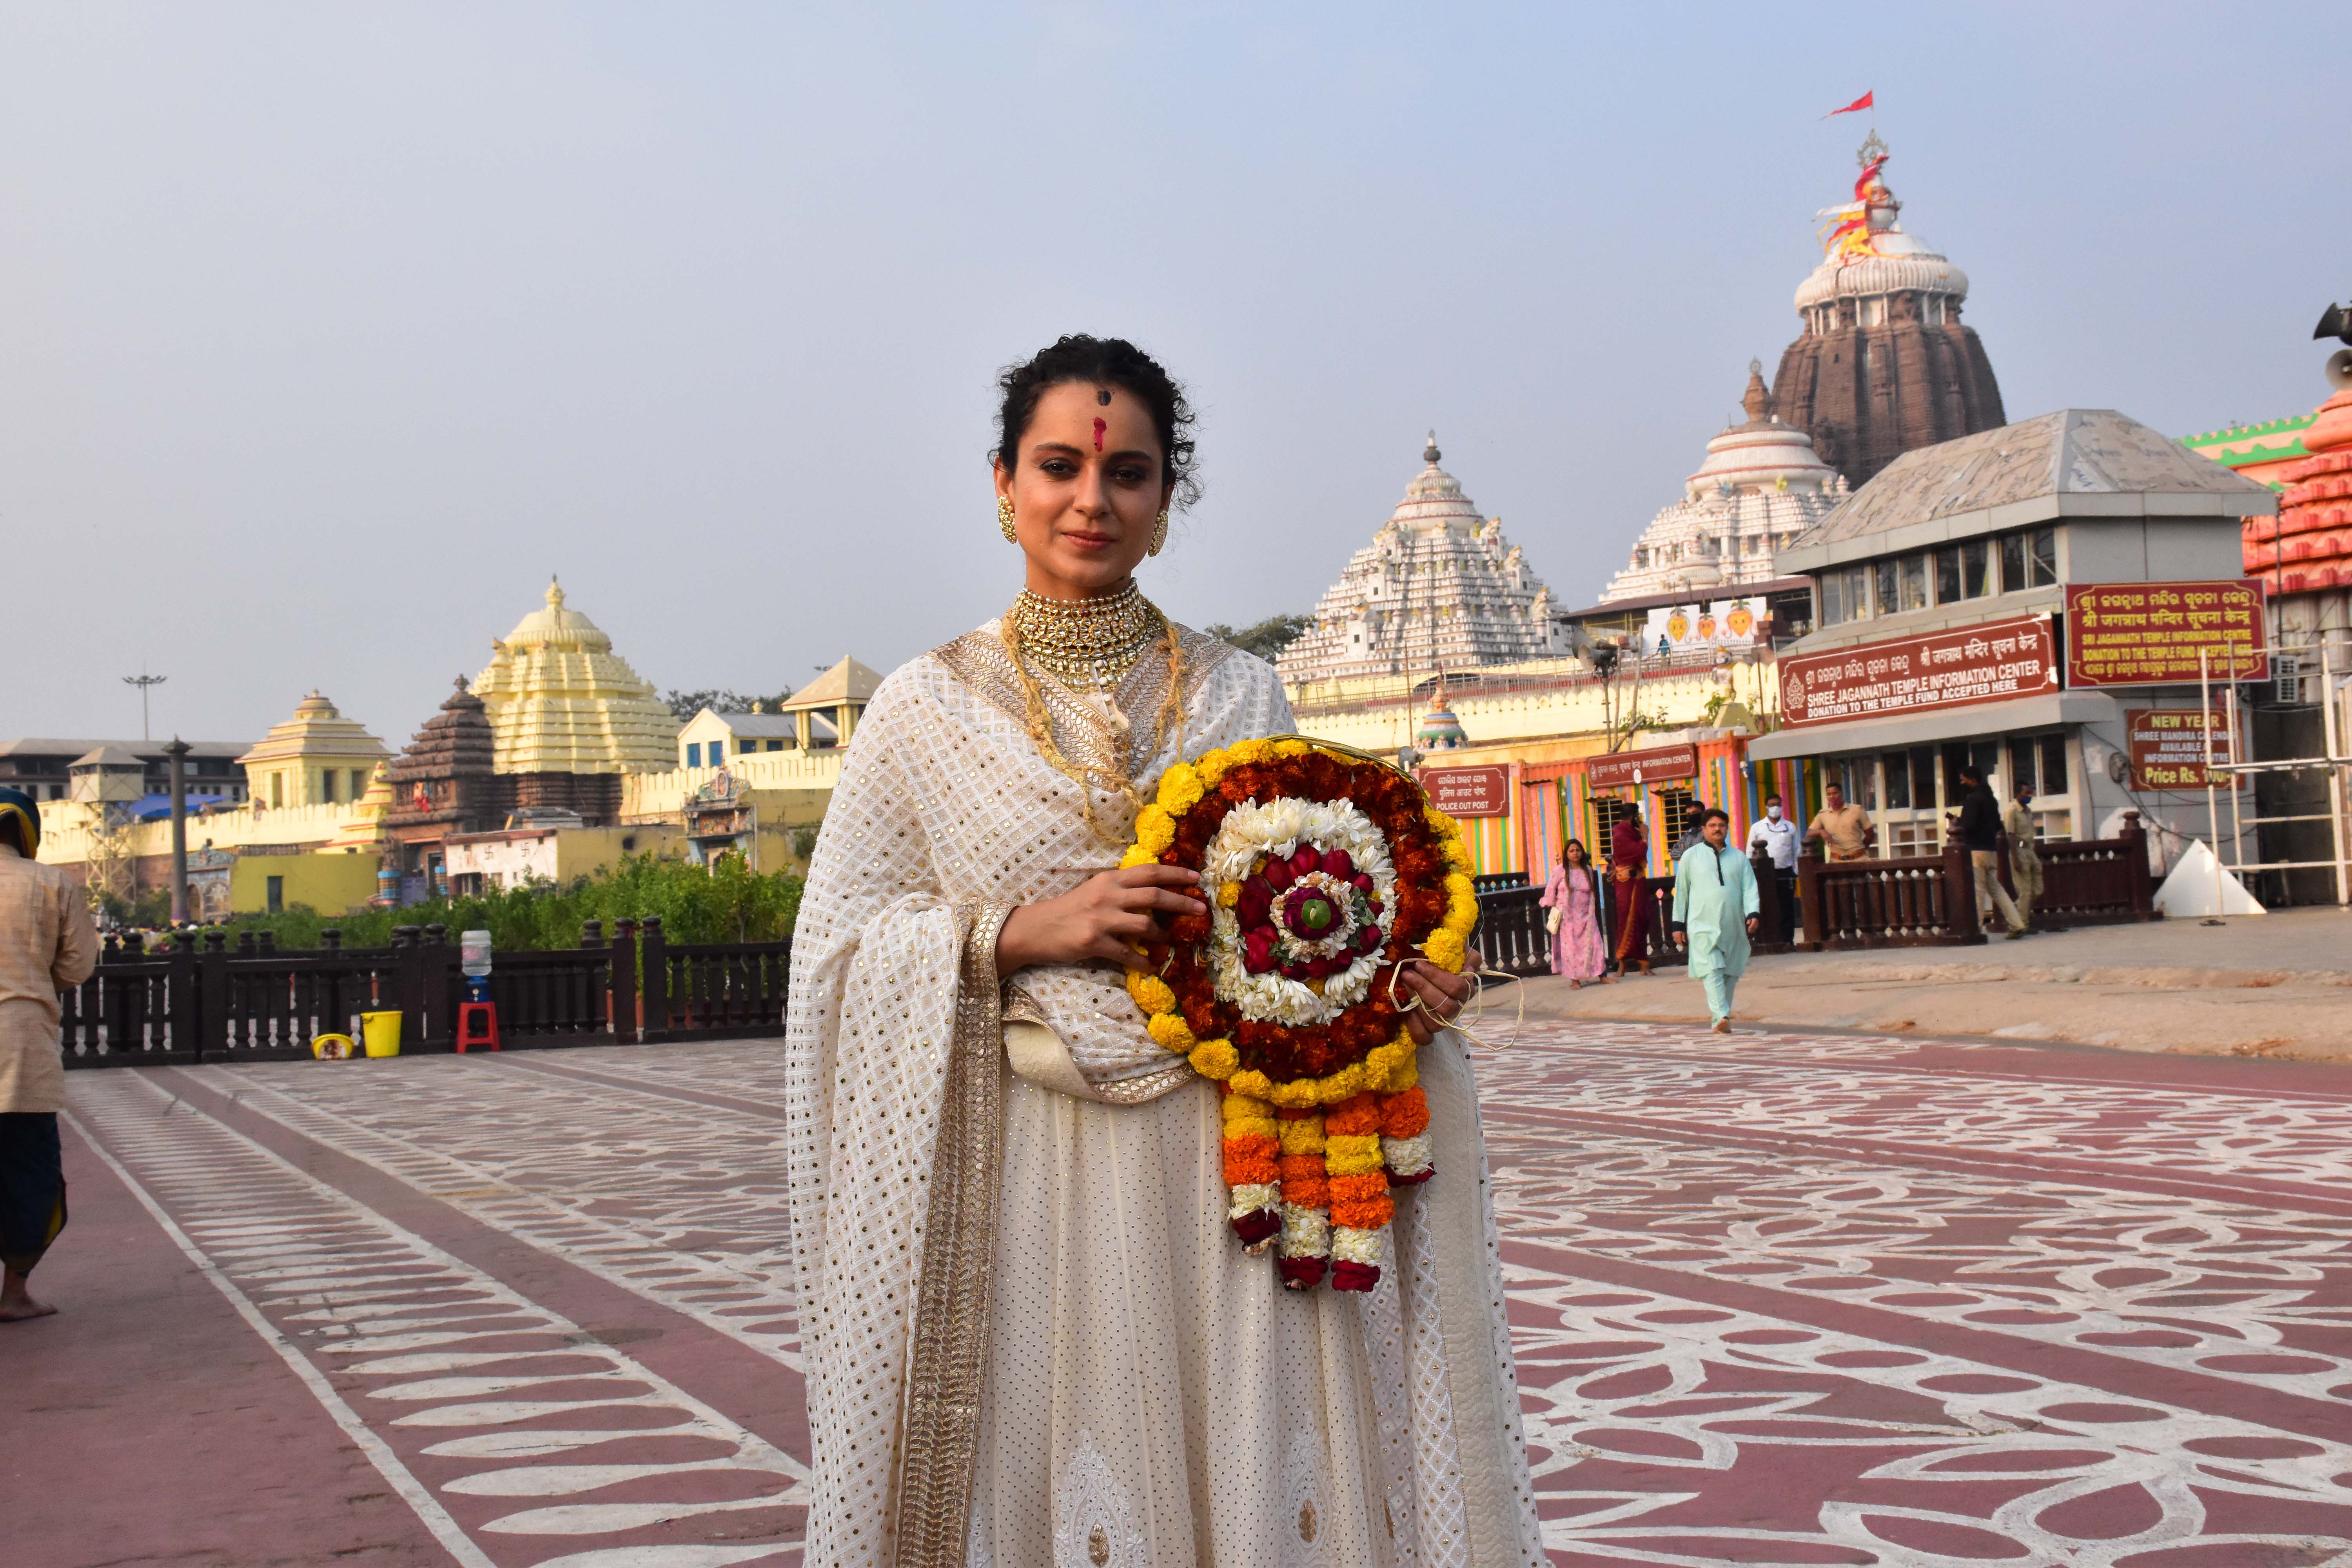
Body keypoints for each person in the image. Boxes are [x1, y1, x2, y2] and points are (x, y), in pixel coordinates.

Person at [783, 336, 1541, 1568]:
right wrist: (1027, 933)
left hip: (1226, 1170)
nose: (1091, 499)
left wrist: (1393, 989)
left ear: (1163, 504)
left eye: (1127, 472)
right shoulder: (923, 712)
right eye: (1058, 467)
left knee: (1243, 1472)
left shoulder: (1244, 698)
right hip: (1032, 1171)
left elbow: (1312, 929)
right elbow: (836, 962)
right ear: (1002, 485)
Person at [1, 786, 96, 1321]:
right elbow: (77, 966)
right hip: (22, 1048)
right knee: (28, 1171)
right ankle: (13, 1292)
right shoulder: (51, 884)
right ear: (26, 831)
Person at [1671, 807, 1760, 1033]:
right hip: (1701, 923)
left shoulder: (1739, 857)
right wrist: (1678, 925)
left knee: (1729, 972)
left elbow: (1750, 889)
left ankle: (1719, 1019)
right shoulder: (1691, 857)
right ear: (1704, 829)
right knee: (1712, 969)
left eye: (1722, 825)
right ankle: (1722, 1015)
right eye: (1712, 826)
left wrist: (1753, 913)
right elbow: (1682, 892)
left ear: (1727, 829)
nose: (1717, 829)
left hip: (1732, 924)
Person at [1955, 763, 2028, 939]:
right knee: (1996, 889)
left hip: (1976, 851)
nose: (1962, 784)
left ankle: (1977, 928)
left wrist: (1957, 824)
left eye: (1963, 781)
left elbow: (1969, 825)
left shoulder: (1972, 799)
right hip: (1991, 850)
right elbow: (1997, 825)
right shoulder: (1991, 799)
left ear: (1972, 780)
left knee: (1978, 890)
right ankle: (2017, 923)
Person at [1540, 837, 1610, 988]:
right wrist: (1548, 903)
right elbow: (1551, 889)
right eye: (1571, 851)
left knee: (1596, 942)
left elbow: (1591, 894)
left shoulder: (1588, 870)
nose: (1575, 853)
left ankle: (1602, 975)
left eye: (1578, 850)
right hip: (1568, 917)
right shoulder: (1561, 871)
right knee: (1572, 949)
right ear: (1567, 854)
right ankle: (1575, 980)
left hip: (1587, 915)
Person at [1746, 792, 1799, 943]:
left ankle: (1787, 941)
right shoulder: (1757, 828)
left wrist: (1796, 871)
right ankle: (1768, 940)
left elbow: (1797, 850)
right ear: (1766, 808)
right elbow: (1750, 851)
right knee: (1767, 907)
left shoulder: (1790, 827)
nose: (1776, 808)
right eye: (1772, 805)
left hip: (1786, 871)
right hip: (1764, 874)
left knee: (1787, 907)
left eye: (1779, 805)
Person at [1606, 809, 1653, 976]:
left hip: (1638, 881)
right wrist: (1646, 835)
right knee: (1626, 920)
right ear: (1632, 817)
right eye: (1637, 817)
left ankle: (1644, 964)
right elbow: (1638, 852)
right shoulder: (1620, 834)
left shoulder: (1632, 833)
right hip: (1626, 884)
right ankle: (1622, 965)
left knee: (1642, 919)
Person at [2005, 783, 2048, 931]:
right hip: (2019, 850)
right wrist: (2015, 858)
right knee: (2024, 891)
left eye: (2031, 794)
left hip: (2030, 850)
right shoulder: (2012, 811)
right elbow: (2010, 835)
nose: (2029, 797)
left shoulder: (2028, 811)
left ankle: (2013, 913)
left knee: (2037, 889)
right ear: (2019, 794)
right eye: (2027, 794)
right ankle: (2022, 925)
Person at [1806, 780, 1876, 862]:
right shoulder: (1823, 815)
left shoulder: (1857, 810)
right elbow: (1809, 833)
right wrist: (1821, 832)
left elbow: (1870, 835)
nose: (1832, 797)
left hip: (1859, 859)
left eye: (1835, 793)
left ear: (1841, 794)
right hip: (1836, 861)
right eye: (1829, 794)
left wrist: (1860, 850)